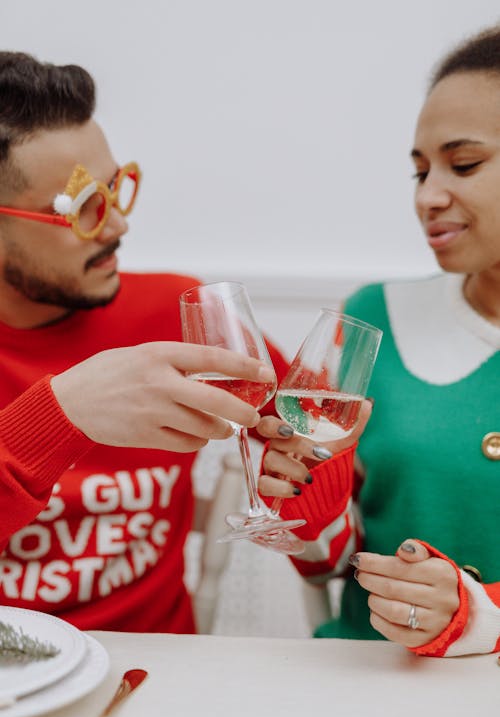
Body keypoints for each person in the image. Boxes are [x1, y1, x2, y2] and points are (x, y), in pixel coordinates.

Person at [0, 51, 302, 633]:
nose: (117, 226)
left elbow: (316, 428)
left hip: (155, 675)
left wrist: (301, 466)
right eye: (85, 208)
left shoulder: (177, 312)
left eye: (117, 191)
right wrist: (61, 414)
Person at [257, 24, 500, 657]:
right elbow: (327, 564)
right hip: (375, 681)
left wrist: (482, 614)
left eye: (464, 163)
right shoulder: (374, 316)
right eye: (420, 171)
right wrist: (307, 501)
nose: (428, 196)